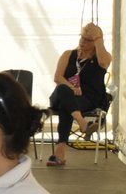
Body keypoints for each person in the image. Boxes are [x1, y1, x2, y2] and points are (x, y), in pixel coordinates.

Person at [47, 22, 112, 167]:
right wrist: (72, 87)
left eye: (88, 39)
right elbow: (58, 77)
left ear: (96, 42)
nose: (83, 41)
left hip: (87, 100)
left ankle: (60, 152)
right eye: (82, 37)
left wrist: (98, 37)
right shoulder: (68, 54)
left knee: (67, 106)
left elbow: (103, 63)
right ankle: (83, 123)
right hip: (62, 95)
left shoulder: (103, 57)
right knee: (63, 90)